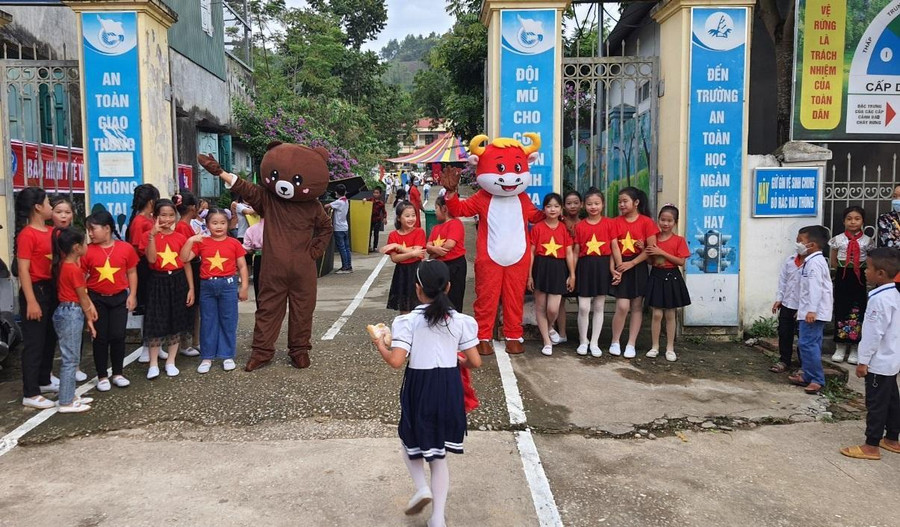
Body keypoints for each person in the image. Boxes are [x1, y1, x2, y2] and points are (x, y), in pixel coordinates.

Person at [368, 259, 481, 527]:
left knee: (409, 440)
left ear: (418, 289)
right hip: (449, 387)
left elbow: (396, 361)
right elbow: (475, 361)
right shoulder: (461, 321)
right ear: (448, 287)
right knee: (439, 454)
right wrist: (459, 359)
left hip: (421, 386)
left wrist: (380, 344)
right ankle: (437, 518)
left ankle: (421, 487)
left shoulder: (407, 321)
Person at [839, 247, 900, 461]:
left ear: (880, 274)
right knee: (891, 399)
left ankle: (871, 445)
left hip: (878, 362)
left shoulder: (879, 299)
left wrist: (863, 362)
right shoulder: (895, 294)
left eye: (868, 268)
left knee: (876, 403)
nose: (865, 271)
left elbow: (873, 334)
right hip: (892, 359)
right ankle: (892, 438)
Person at [181, 208, 249, 373]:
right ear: (207, 224)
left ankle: (227, 355)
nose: (219, 226)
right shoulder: (202, 242)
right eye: (214, 223)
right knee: (208, 321)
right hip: (207, 286)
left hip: (228, 285)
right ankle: (207, 356)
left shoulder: (234, 243)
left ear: (228, 224)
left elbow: (242, 266)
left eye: (223, 223)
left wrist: (244, 287)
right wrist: (191, 240)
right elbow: (184, 258)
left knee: (228, 320)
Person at [83, 211, 138, 391]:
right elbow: (81, 277)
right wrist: (87, 303)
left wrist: (132, 295)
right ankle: (102, 376)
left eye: (93, 229)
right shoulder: (87, 250)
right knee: (99, 337)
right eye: (88, 230)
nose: (90, 233)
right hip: (96, 299)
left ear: (107, 228)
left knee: (118, 335)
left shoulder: (125, 248)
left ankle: (118, 373)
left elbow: (131, 272)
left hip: (119, 297)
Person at [139, 199, 194, 379]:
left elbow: (186, 263)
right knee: (156, 321)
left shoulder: (180, 237)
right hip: (157, 281)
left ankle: (171, 361)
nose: (167, 219)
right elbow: (151, 260)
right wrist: (152, 236)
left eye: (171, 215)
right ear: (155, 216)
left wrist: (191, 288)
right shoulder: (148, 235)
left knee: (176, 321)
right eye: (163, 215)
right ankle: (153, 363)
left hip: (178, 280)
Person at [15, 188, 59, 409]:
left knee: (50, 337)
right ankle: (30, 392)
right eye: (49, 203)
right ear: (38, 207)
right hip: (35, 290)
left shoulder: (51, 231)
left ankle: (44, 379)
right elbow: (23, 270)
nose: (52, 207)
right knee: (35, 342)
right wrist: (31, 301)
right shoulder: (27, 234)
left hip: (51, 289)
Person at [51, 227, 97, 413]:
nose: (87, 246)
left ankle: (69, 395)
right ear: (77, 247)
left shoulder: (65, 265)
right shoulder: (73, 269)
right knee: (70, 359)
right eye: (85, 243)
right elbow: (82, 296)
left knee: (70, 357)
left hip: (67, 310)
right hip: (71, 311)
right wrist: (90, 318)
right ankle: (66, 401)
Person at [609, 187, 657, 359]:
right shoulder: (615, 222)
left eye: (625, 201)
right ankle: (615, 341)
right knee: (622, 306)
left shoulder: (647, 222)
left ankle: (631, 343)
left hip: (638, 266)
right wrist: (619, 267)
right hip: (621, 265)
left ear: (636, 202)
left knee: (637, 307)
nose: (621, 204)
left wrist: (633, 263)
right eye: (619, 201)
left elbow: (651, 248)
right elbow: (614, 246)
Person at [527, 193, 576, 356]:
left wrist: (572, 275)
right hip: (541, 268)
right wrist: (529, 275)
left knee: (553, 309)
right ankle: (547, 342)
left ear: (561, 209)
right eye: (549, 206)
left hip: (558, 269)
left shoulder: (564, 229)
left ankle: (549, 327)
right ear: (544, 209)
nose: (552, 209)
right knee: (540, 307)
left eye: (556, 206)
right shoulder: (537, 228)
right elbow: (531, 253)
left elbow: (569, 253)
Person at [787, 226, 833, 395]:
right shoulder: (812, 261)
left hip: (813, 313)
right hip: (808, 311)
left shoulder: (814, 264)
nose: (797, 244)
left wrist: (811, 310)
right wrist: (802, 309)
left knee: (807, 344)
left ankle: (816, 379)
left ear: (812, 245)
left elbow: (815, 289)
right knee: (810, 344)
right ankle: (808, 375)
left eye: (800, 241)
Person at [643, 205, 692, 362]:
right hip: (656, 275)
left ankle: (670, 348)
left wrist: (662, 252)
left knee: (671, 314)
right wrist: (643, 249)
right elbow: (650, 261)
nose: (665, 223)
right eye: (662, 220)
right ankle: (655, 346)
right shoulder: (653, 238)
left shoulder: (679, 240)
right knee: (656, 314)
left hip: (672, 277)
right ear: (658, 220)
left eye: (669, 221)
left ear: (675, 222)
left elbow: (681, 261)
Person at [829, 206, 877, 365]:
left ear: (863, 221)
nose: (853, 222)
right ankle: (840, 346)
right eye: (849, 219)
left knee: (858, 309)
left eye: (857, 219)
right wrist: (839, 270)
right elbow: (833, 259)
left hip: (859, 279)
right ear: (843, 221)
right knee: (841, 308)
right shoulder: (838, 239)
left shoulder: (867, 241)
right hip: (843, 276)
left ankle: (855, 347)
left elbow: (870, 261)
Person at [49, 196, 89, 383]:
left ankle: (73, 375)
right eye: (58, 212)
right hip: (66, 301)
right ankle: (61, 387)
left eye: (67, 212)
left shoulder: (73, 241)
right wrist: (89, 312)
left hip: (72, 302)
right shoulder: (69, 264)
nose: (63, 216)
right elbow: (81, 292)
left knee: (71, 348)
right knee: (67, 355)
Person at [572, 189, 614, 357]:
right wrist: (572, 274)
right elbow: (575, 251)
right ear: (584, 205)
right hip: (584, 267)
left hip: (602, 267)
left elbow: (614, 249)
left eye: (597, 203)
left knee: (599, 306)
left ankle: (595, 342)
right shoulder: (580, 226)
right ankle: (583, 340)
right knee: (583, 307)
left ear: (602, 204)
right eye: (589, 204)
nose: (593, 207)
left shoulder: (609, 224)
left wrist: (614, 268)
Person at [381, 201, 426, 314]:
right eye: (407, 216)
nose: (411, 219)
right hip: (401, 273)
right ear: (399, 218)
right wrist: (412, 253)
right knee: (404, 307)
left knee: (418, 306)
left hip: (416, 271)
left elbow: (419, 252)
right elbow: (395, 258)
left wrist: (397, 247)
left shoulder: (419, 232)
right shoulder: (393, 235)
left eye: (413, 215)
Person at [769, 240, 807, 373]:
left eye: (803, 241)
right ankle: (784, 360)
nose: (799, 243)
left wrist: (802, 308)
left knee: (803, 337)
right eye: (798, 240)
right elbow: (783, 281)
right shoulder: (789, 261)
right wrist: (779, 298)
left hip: (802, 306)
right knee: (784, 333)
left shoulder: (812, 264)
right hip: (787, 303)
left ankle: (804, 366)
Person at [552, 190, 583, 346]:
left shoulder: (585, 223)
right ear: (564, 206)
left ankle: (583, 336)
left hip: (582, 266)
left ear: (581, 205)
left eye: (576, 203)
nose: (572, 206)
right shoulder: (560, 223)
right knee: (560, 301)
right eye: (569, 203)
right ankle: (562, 333)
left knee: (582, 302)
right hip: (563, 265)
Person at [426, 195, 467, 312]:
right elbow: (428, 246)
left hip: (455, 265)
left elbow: (449, 245)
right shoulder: (436, 228)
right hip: (439, 266)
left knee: (454, 298)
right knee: (439, 298)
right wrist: (433, 250)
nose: (435, 212)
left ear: (444, 208)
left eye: (436, 208)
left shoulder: (455, 223)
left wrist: (433, 255)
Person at [174, 189, 202, 357]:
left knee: (195, 307)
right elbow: (186, 255)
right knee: (190, 307)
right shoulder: (183, 227)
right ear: (192, 207)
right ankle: (186, 343)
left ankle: (194, 341)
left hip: (192, 268)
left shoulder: (185, 226)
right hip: (189, 269)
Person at [326, 184, 352, 274]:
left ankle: (345, 267)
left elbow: (326, 206)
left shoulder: (338, 202)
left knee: (342, 248)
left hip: (338, 228)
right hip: (345, 227)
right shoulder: (346, 201)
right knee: (347, 248)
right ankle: (349, 266)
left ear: (336, 192)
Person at [242, 215, 264, 308]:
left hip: (259, 257)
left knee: (259, 288)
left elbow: (247, 248)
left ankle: (261, 310)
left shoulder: (252, 229)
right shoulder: (281, 228)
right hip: (276, 259)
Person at [876, 184, 900, 249]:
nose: (897, 199)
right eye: (895, 196)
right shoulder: (885, 218)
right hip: (892, 255)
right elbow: (888, 242)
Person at [366, 187, 388, 253]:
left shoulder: (381, 203)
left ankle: (375, 247)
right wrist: (364, 200)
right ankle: (368, 246)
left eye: (377, 193)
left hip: (377, 220)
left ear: (380, 194)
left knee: (376, 233)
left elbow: (384, 212)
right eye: (374, 193)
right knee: (369, 233)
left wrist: (384, 218)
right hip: (370, 219)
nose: (375, 194)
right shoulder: (370, 200)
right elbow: (365, 201)